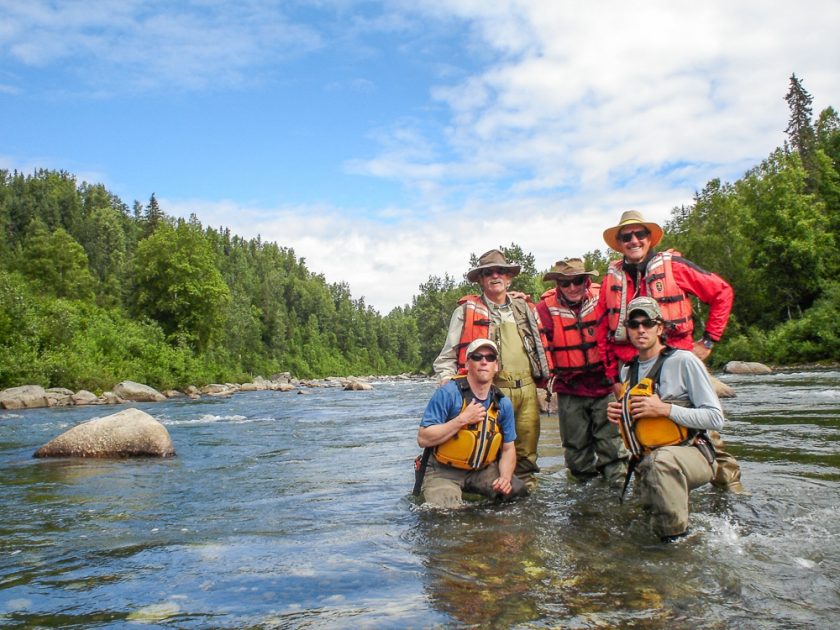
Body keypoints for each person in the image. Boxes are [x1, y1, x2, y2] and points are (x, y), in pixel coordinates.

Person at [596, 209, 743, 492]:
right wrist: (613, 378)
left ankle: (730, 490)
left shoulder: (674, 266)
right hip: (634, 370)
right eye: (627, 236)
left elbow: (722, 292)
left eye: (640, 234)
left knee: (707, 434)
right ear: (620, 242)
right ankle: (653, 496)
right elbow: (604, 330)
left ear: (650, 239)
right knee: (642, 435)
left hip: (677, 363)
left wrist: (709, 340)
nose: (634, 240)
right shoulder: (611, 279)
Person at [433, 249, 552, 491]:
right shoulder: (465, 312)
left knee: (527, 455)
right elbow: (446, 356)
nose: (495, 276)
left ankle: (527, 498)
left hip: (528, 390)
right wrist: (446, 380)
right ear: (480, 279)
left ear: (509, 278)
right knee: (491, 450)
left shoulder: (525, 308)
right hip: (491, 393)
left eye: (501, 271)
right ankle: (493, 499)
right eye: (488, 273)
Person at [606, 297, 723, 542]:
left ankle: (678, 540)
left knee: (661, 465)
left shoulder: (684, 361)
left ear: (659, 328)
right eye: (634, 324)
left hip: (692, 453)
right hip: (646, 460)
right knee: (643, 524)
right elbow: (641, 423)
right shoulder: (629, 370)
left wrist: (666, 410)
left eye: (647, 323)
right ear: (627, 330)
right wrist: (620, 414)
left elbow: (715, 418)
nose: (640, 329)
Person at [536, 258, 627, 486]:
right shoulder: (544, 308)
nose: (573, 287)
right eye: (565, 284)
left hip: (605, 385)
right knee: (576, 453)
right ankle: (585, 498)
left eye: (578, 281)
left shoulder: (603, 298)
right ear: (557, 285)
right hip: (570, 388)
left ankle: (617, 493)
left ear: (587, 280)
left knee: (613, 447)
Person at [417, 338, 529, 508]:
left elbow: (508, 448)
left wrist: (505, 478)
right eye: (477, 357)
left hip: (482, 470)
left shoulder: (502, 403)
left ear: (496, 366)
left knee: (518, 492)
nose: (484, 361)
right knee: (445, 511)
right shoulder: (447, 393)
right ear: (467, 364)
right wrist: (462, 419)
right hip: (443, 471)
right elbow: (423, 438)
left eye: (490, 358)